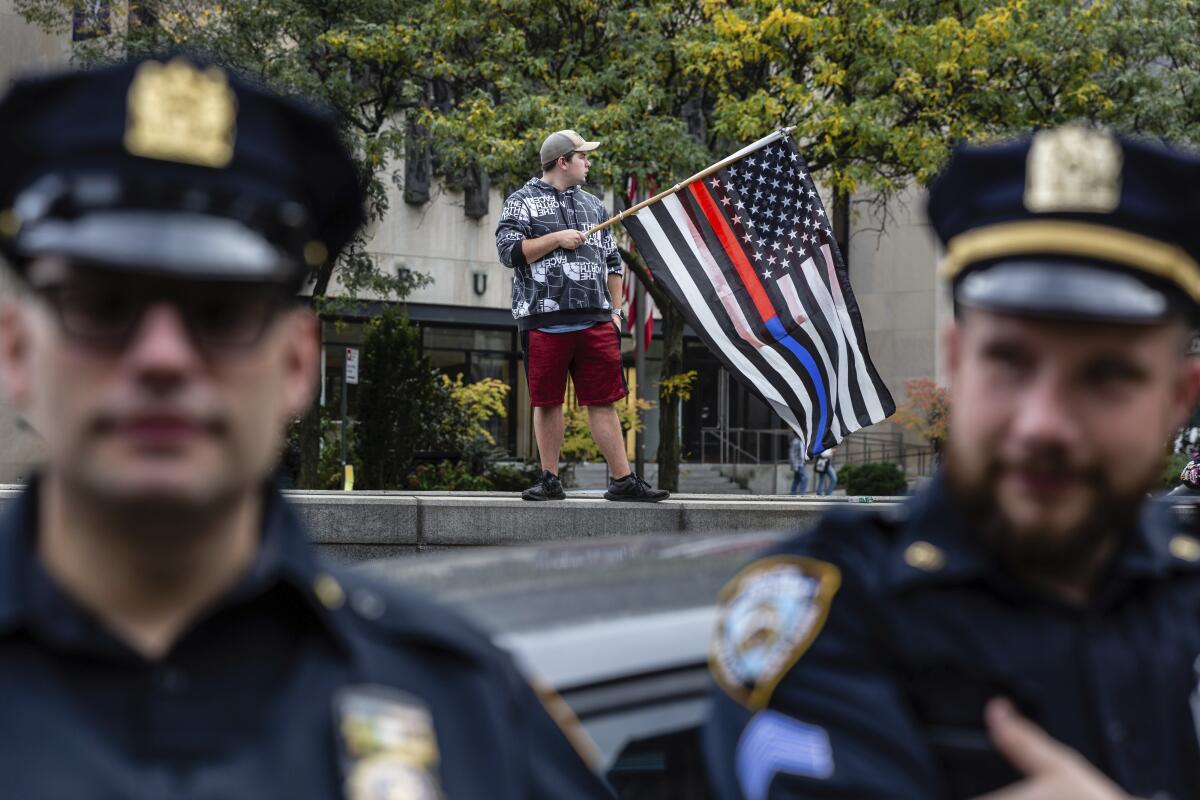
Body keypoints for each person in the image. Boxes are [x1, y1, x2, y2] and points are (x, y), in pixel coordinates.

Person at [0, 56, 614, 798]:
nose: (161, 358)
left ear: (297, 363)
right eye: (101, 309)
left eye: (221, 314)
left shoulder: (466, 712)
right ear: (16, 351)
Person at [704, 125, 1200, 799]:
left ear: (1179, 398)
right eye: (1011, 361)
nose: (1043, 423)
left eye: (1106, 376)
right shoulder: (826, 614)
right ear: (958, 361)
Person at [496, 129, 668, 503]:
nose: (588, 163)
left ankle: (622, 480)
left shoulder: (593, 205)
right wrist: (557, 238)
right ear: (563, 162)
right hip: (543, 318)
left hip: (595, 318)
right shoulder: (521, 202)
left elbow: (612, 260)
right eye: (583, 157)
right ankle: (549, 478)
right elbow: (508, 251)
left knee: (602, 400)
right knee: (547, 401)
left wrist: (617, 310)